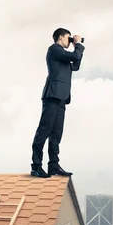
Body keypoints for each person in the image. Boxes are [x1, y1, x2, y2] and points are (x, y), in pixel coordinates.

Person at [30, 27, 85, 178]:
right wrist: (78, 45)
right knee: (44, 130)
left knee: (56, 133)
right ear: (60, 37)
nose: (70, 40)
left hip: (62, 97)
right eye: (68, 37)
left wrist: (77, 47)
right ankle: (36, 166)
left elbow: (76, 65)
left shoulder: (64, 56)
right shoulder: (55, 49)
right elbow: (74, 55)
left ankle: (53, 165)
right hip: (52, 95)